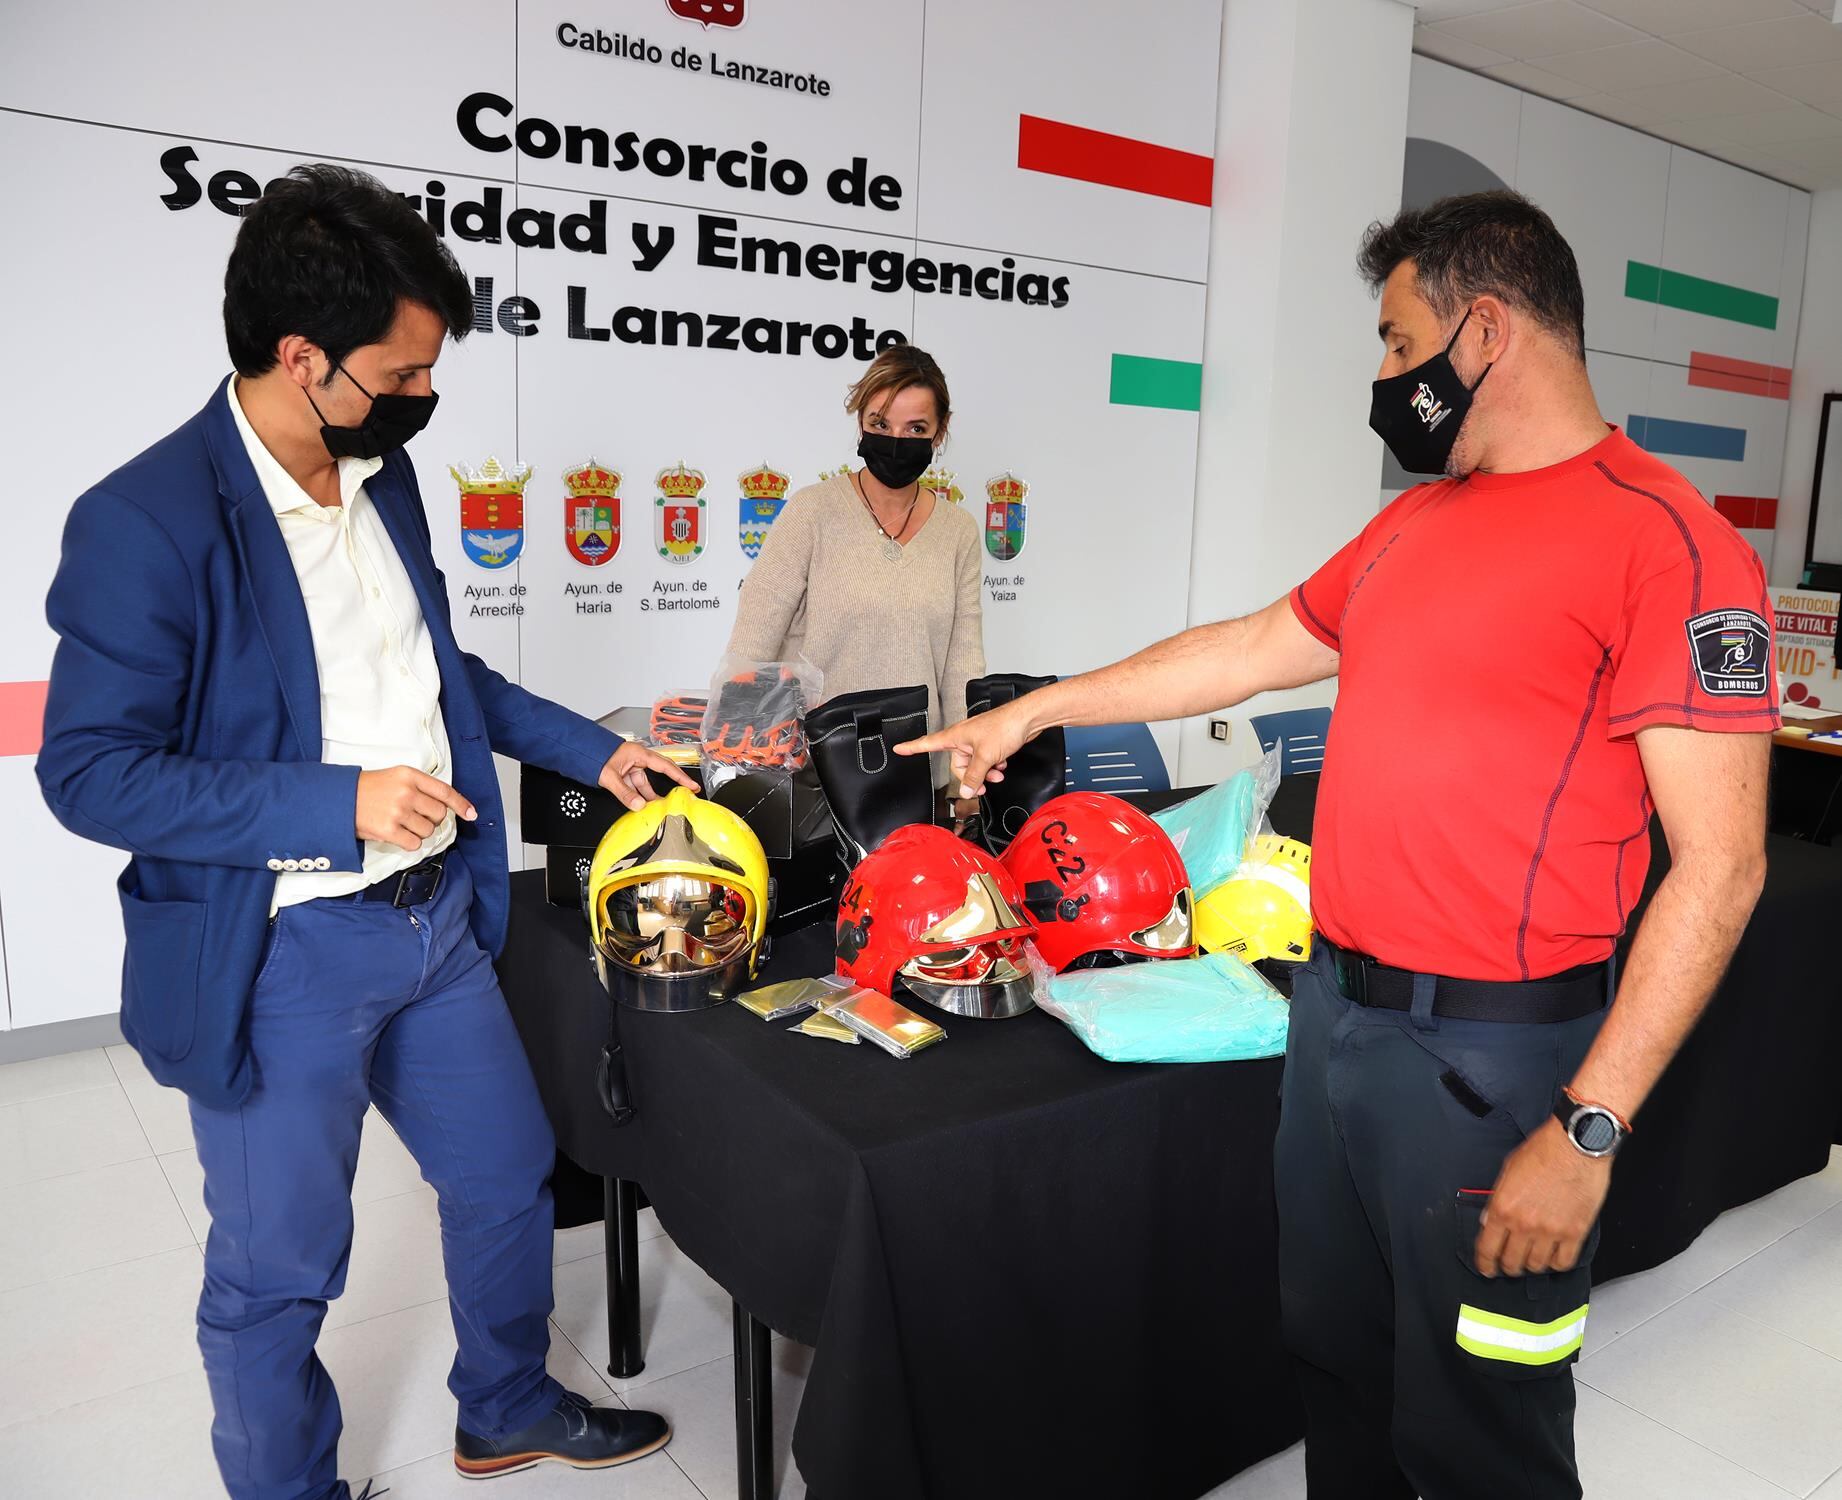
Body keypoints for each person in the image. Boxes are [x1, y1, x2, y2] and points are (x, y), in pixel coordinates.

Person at [898, 191, 1777, 1499]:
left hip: (1494, 1064)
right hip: (1332, 1028)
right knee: (1335, 1366)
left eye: (1391, 338)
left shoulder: (1670, 544)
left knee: (1483, 1426)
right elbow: (1244, 650)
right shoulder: (1412, 526)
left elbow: (1722, 864)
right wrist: (1038, 705)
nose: (1381, 376)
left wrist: (1585, 1130)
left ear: (1480, 333)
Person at [35, 164, 696, 1500]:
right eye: (399, 374)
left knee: (508, 1178)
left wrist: (596, 749)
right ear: (301, 358)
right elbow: (91, 775)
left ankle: (502, 1403)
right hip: (279, 952)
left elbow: (444, 674)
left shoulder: (380, 477)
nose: (417, 400)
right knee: (280, 1266)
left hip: (435, 923)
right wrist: (331, 802)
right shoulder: (145, 522)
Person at [723, 343, 985, 810]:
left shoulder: (958, 530)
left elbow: (962, 667)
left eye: (916, 428)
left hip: (917, 778)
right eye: (880, 424)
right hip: (811, 778)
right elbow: (754, 641)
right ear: (860, 420)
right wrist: (732, 765)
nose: (896, 440)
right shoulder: (812, 510)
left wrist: (964, 778)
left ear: (940, 432)